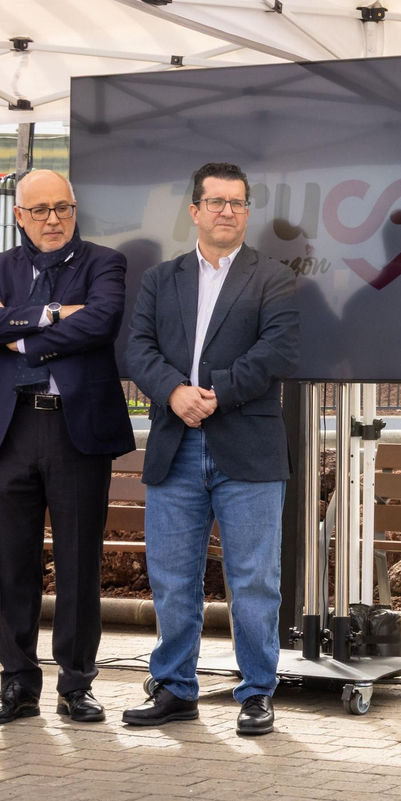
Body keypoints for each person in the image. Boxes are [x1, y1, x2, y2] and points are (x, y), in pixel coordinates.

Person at [122, 162, 299, 736]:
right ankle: (175, 688)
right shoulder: (160, 278)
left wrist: (214, 395)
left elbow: (277, 352)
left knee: (254, 579)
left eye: (238, 202)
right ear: (194, 210)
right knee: (173, 578)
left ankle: (255, 693)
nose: (227, 211)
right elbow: (137, 348)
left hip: (246, 448)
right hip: (175, 448)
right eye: (216, 201)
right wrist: (174, 392)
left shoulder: (274, 277)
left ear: (248, 212)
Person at [0, 170, 134, 726]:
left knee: (79, 561)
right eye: (39, 210)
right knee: (12, 562)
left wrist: (17, 336)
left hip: (75, 430)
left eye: (62, 208)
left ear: (76, 209)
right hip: (10, 431)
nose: (52, 219)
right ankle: (16, 684)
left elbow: (101, 322)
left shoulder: (105, 263)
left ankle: (77, 684)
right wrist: (54, 315)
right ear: (20, 216)